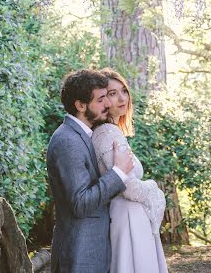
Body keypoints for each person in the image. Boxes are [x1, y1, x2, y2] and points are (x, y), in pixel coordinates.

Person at [46, 69, 134, 273]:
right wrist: (119, 173)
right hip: (79, 254)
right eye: (101, 99)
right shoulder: (67, 141)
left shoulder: (83, 135)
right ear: (80, 105)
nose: (108, 104)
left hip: (91, 251)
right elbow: (81, 203)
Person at [92, 68, 168, 273]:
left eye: (123, 91)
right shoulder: (107, 133)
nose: (121, 98)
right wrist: (153, 189)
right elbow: (128, 187)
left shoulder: (113, 132)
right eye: (112, 93)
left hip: (130, 216)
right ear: (103, 101)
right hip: (127, 218)